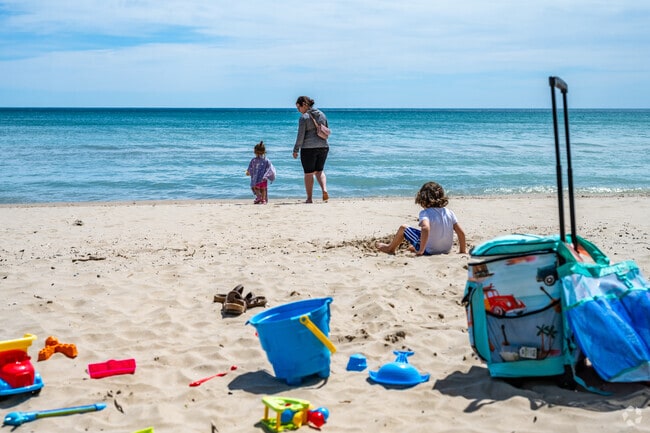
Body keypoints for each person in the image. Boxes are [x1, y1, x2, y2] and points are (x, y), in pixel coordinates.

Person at [376, 182, 467, 255]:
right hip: (446, 250)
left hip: (429, 251)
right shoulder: (449, 212)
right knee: (425, 234)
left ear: (422, 199)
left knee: (403, 228)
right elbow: (461, 233)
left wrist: (422, 250)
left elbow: (426, 228)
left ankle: (390, 248)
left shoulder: (425, 213)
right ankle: (417, 247)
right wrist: (462, 250)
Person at [292, 96, 329, 203]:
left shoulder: (304, 117)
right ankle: (324, 190)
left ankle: (309, 198)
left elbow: (300, 136)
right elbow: (326, 129)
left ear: (304, 104)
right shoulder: (322, 115)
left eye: (298, 107)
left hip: (309, 149)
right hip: (324, 147)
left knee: (308, 173)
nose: (298, 110)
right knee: (320, 171)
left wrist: (296, 150)